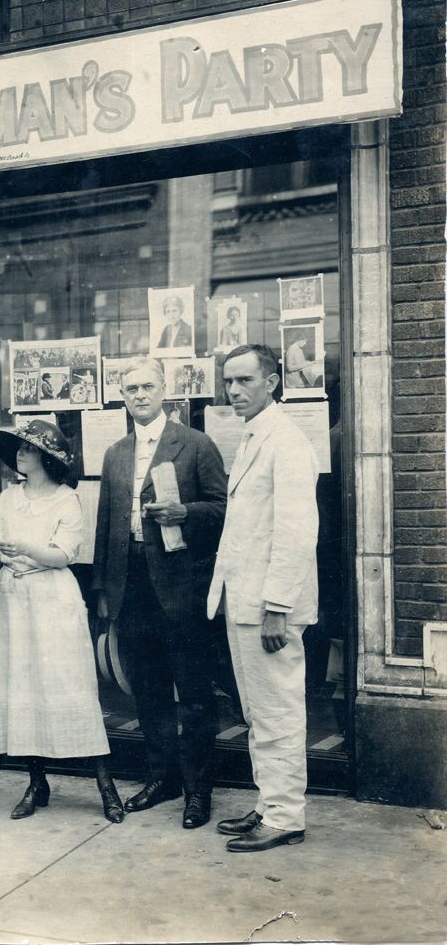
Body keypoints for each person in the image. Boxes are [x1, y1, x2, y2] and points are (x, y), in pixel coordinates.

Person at [92, 357, 227, 829]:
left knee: (192, 693)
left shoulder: (194, 444)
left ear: (165, 389)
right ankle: (162, 777)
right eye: (130, 389)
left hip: (180, 589)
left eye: (148, 386)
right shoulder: (115, 452)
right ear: (122, 396)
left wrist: (183, 513)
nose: (140, 395)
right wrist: (103, 589)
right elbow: (106, 524)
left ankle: (197, 790)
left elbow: (221, 508)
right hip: (130, 588)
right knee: (146, 690)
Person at [0, 419, 125, 824]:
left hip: (52, 600)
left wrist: (19, 546)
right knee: (21, 688)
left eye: (26, 448)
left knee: (69, 688)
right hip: (12, 600)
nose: (19, 454)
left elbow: (64, 555)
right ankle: (36, 782)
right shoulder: (9, 498)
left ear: (45, 456)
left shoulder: (66, 500)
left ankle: (105, 786)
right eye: (18, 448)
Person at [207, 344, 319, 852]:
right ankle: (270, 803)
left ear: (272, 381)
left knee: (277, 711)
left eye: (245, 381)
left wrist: (278, 606)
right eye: (229, 381)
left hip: (269, 608)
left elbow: (296, 533)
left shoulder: (287, 441)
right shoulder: (254, 436)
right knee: (258, 711)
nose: (234, 391)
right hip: (244, 602)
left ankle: (285, 816)